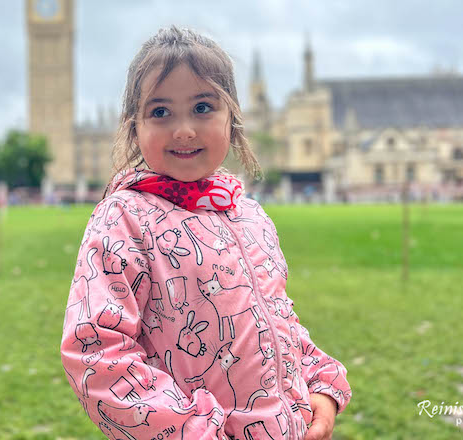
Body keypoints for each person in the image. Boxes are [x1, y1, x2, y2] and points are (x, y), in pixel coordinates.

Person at [60, 26, 351, 440]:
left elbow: (277, 319)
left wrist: (319, 382)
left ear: (233, 120)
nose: (183, 129)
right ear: (133, 128)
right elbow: (95, 353)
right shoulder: (124, 219)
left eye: (202, 107)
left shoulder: (250, 216)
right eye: (160, 112)